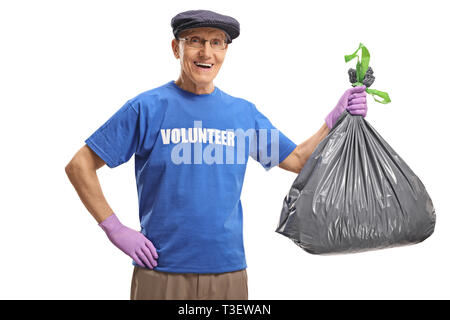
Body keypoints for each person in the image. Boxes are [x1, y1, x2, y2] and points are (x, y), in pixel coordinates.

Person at [65, 9, 367, 300]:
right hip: (160, 271)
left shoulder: (242, 115)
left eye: (216, 42)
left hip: (228, 272)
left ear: (225, 51)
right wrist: (114, 229)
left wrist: (334, 118)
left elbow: (298, 160)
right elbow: (80, 165)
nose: (206, 53)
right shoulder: (147, 108)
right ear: (176, 48)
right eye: (195, 40)